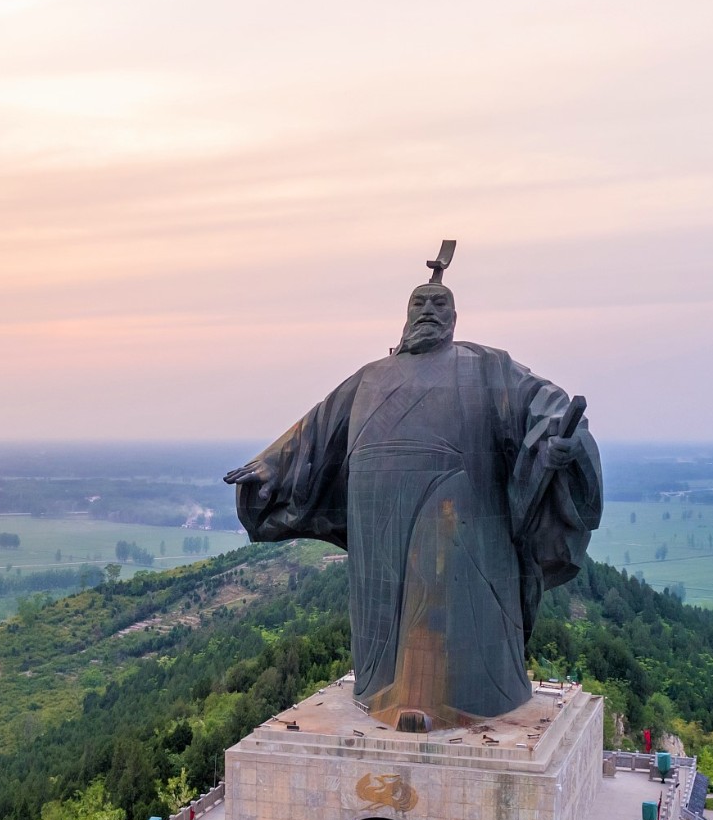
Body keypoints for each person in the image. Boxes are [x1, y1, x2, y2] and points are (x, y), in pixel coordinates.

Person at [225, 246, 603, 729]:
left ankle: (447, 703)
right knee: (384, 620)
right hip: (376, 519)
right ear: (405, 315)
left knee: (446, 604)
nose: (428, 310)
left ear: (455, 316)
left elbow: (544, 402)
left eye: (438, 304)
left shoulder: (487, 366)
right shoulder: (370, 377)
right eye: (419, 303)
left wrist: (558, 434)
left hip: (460, 511)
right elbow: (314, 433)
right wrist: (269, 468)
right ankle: (382, 692)